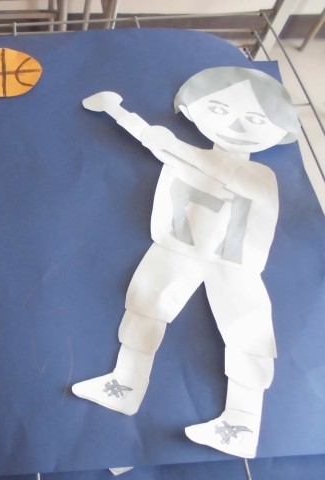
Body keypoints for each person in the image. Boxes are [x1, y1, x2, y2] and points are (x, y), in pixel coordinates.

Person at [72, 67, 300, 458]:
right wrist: (122, 116)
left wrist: (138, 125)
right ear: (192, 109)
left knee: (247, 333)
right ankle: (125, 383)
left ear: (280, 132)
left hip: (234, 263)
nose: (235, 125)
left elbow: (198, 162)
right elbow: (167, 148)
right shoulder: (185, 155)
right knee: (145, 304)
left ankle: (242, 423)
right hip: (178, 246)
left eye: (255, 119)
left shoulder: (258, 174)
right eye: (219, 109)